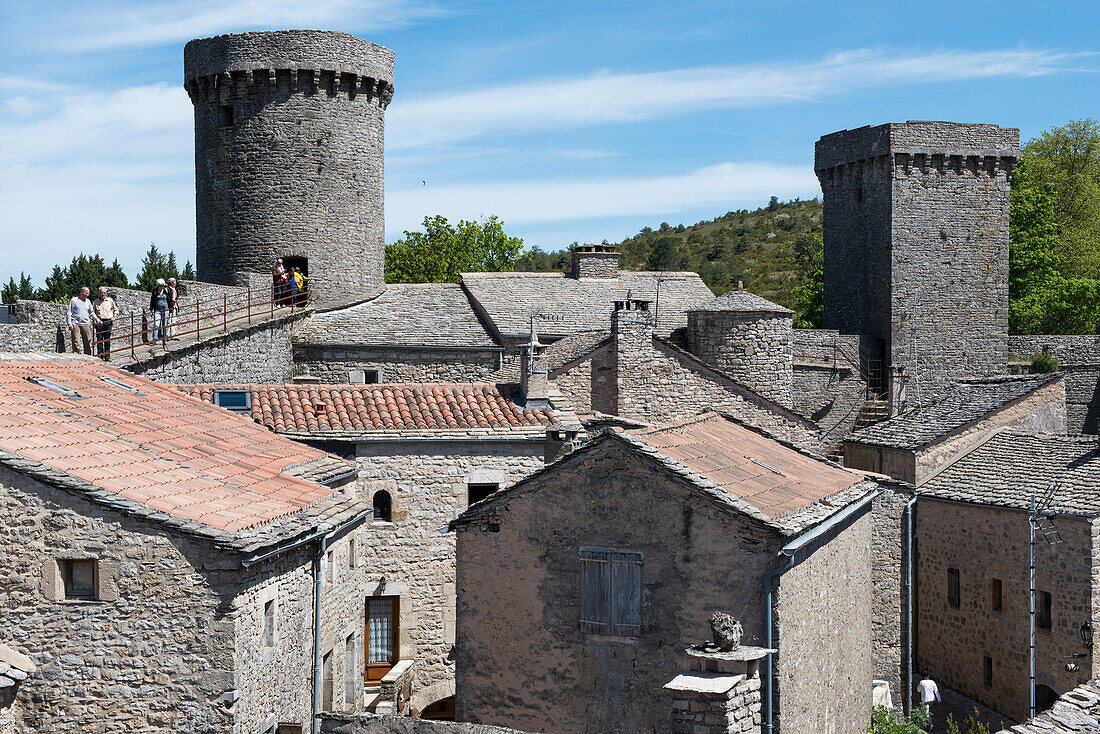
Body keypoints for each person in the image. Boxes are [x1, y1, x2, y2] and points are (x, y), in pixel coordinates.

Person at [66, 287, 98, 355]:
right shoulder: (74, 300)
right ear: (81, 292)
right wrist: (69, 323)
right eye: (86, 293)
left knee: (88, 341)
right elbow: (69, 312)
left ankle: (88, 355)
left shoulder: (88, 301)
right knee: (76, 341)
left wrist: (97, 319)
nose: (87, 295)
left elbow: (91, 312)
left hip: (86, 323)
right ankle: (76, 355)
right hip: (75, 323)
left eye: (88, 293)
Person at [92, 287, 119, 360]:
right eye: (101, 292)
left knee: (107, 339)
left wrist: (114, 317)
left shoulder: (110, 301)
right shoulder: (95, 302)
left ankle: (107, 356)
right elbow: (92, 313)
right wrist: (94, 321)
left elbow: (116, 310)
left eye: (104, 292)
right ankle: (100, 356)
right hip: (99, 322)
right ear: (99, 293)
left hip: (108, 321)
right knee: (99, 340)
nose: (103, 294)